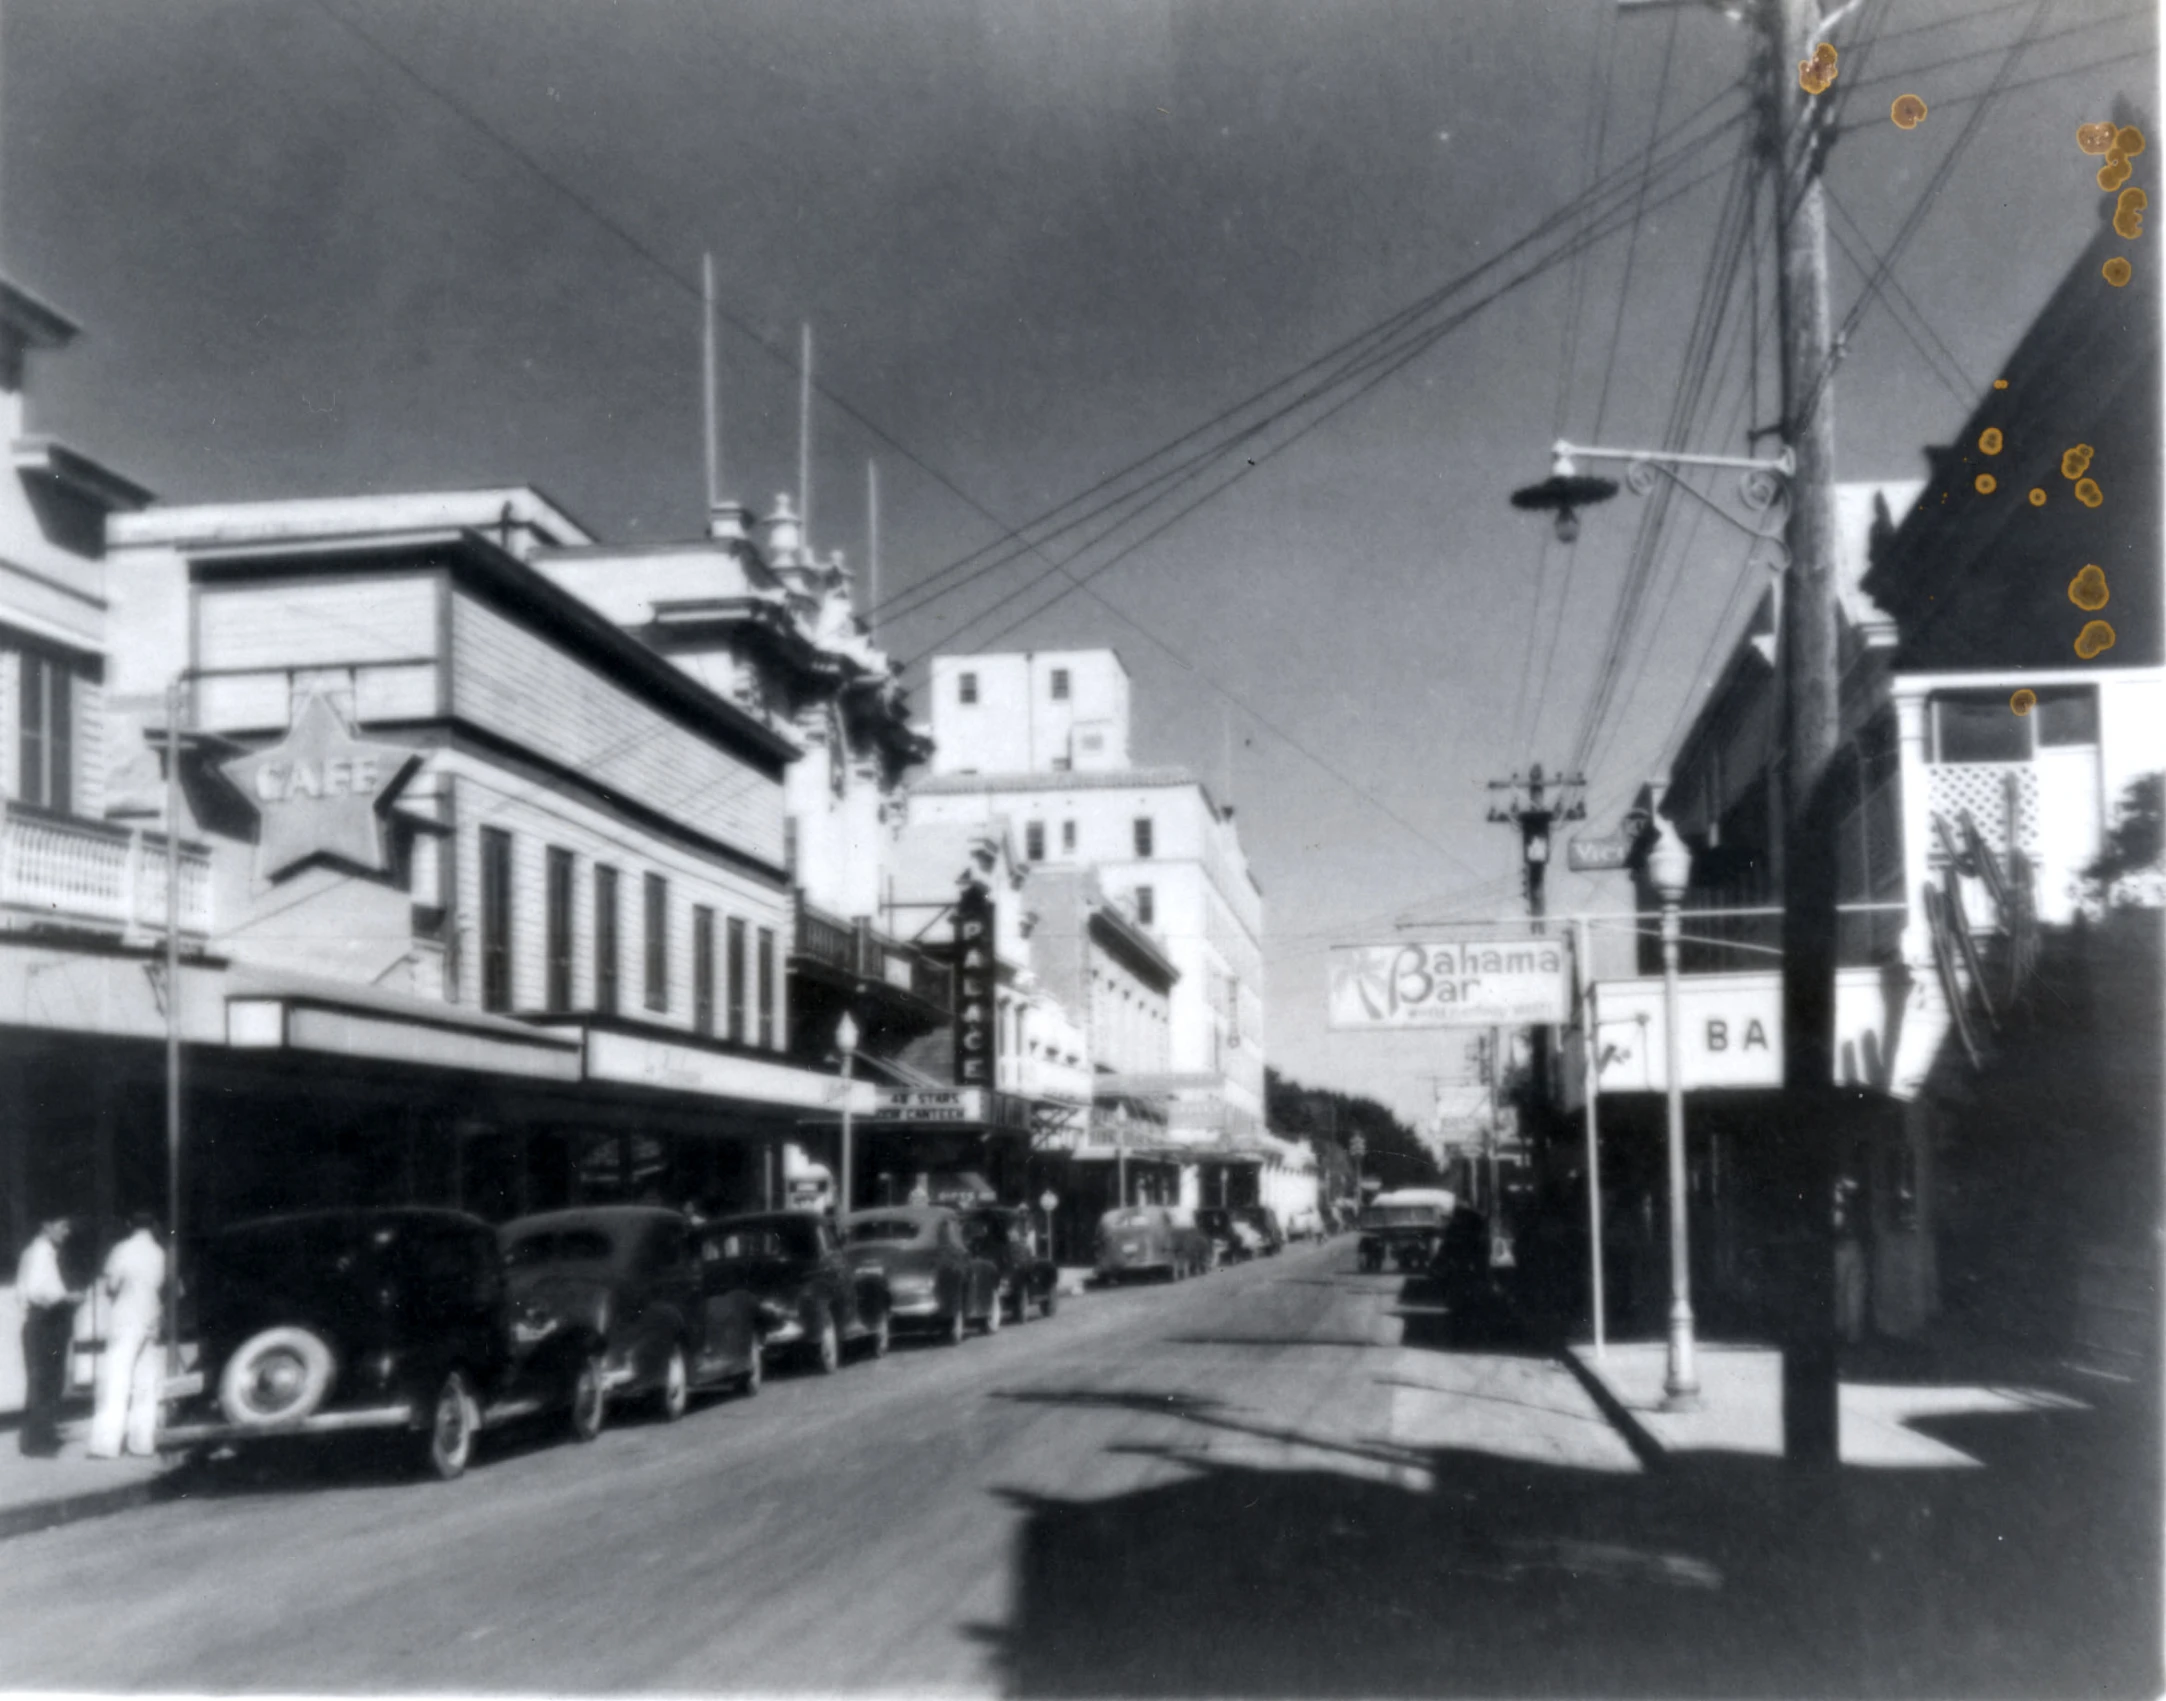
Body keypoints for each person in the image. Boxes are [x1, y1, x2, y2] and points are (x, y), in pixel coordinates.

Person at [86, 1213, 167, 1460]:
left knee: (116, 1379)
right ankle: (142, 1442)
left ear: (129, 1225)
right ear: (153, 1225)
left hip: (126, 1315)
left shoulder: (121, 1249)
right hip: (151, 1315)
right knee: (145, 1382)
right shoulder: (159, 1252)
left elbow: (111, 1286)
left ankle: (106, 1444)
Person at [15, 1219, 82, 1457]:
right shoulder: (42, 1253)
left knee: (45, 1383)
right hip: (46, 1323)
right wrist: (68, 1298)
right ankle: (38, 1442)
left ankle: (41, 1436)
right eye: (62, 1226)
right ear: (46, 1226)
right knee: (46, 1382)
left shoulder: (36, 1251)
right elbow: (39, 1293)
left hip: (42, 1322)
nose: (67, 1232)